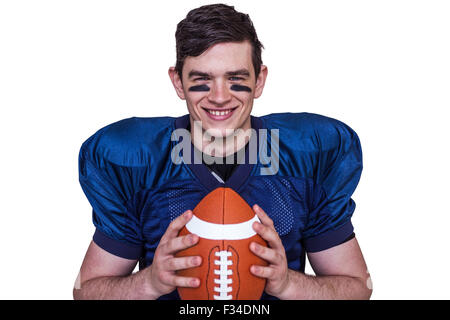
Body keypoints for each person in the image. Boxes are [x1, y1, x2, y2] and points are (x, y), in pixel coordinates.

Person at [73, 3, 372, 300]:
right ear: (178, 82)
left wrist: (289, 284)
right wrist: (148, 283)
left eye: (236, 79)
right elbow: (85, 291)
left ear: (260, 80)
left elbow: (358, 287)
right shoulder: (136, 161)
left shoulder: (307, 155)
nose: (219, 97)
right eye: (202, 80)